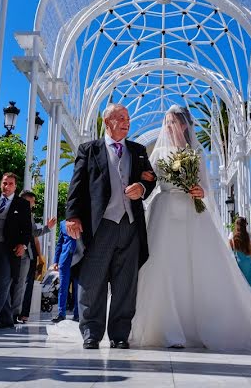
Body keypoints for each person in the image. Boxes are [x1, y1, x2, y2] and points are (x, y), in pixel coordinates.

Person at [131, 105, 251, 349]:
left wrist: (201, 191)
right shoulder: (158, 153)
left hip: (192, 212)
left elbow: (206, 188)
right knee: (163, 266)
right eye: (166, 122)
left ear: (184, 125)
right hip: (164, 211)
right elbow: (149, 183)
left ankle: (196, 324)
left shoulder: (197, 153)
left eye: (172, 122)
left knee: (194, 267)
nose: (168, 126)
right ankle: (166, 327)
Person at [64, 103, 157, 349]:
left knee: (125, 284)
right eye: (122, 118)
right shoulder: (89, 150)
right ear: (107, 122)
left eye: (128, 118)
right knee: (92, 281)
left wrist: (143, 188)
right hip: (100, 226)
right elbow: (77, 185)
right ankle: (91, 333)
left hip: (130, 226)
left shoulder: (138, 151)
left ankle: (119, 335)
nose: (128, 122)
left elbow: (150, 178)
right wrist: (72, 216)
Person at [0, 172, 32, 331]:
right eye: (4, 183)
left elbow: (27, 229)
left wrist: (23, 244)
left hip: (10, 252)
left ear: (15, 186)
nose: (6, 186)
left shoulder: (22, 204)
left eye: (10, 184)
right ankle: (7, 319)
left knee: (2, 285)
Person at [12, 189, 54, 324]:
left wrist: (47, 227)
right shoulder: (14, 212)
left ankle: (23, 314)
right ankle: (14, 313)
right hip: (18, 251)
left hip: (30, 253)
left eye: (33, 202)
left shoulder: (29, 215)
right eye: (31, 202)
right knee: (17, 284)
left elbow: (33, 234)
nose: (33, 205)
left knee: (27, 284)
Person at [51, 219, 79, 322]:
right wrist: (56, 261)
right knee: (63, 287)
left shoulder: (81, 221)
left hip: (79, 259)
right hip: (65, 259)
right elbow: (60, 243)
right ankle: (61, 314)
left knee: (77, 288)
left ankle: (77, 314)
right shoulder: (62, 223)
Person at [230, 217, 251, 288]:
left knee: (240, 286)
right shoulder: (249, 235)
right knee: (249, 285)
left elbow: (230, 249)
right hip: (248, 261)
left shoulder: (232, 235)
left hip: (238, 261)